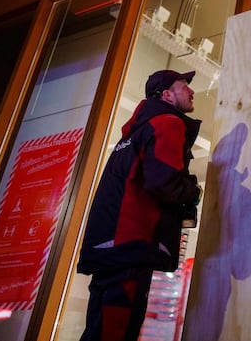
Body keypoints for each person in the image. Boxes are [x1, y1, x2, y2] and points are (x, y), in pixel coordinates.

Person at [77, 69, 203, 341]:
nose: (192, 91)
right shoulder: (167, 123)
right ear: (167, 94)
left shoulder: (133, 133)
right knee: (117, 332)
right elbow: (164, 182)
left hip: (109, 248)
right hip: (130, 247)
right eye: (184, 86)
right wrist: (194, 191)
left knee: (99, 330)